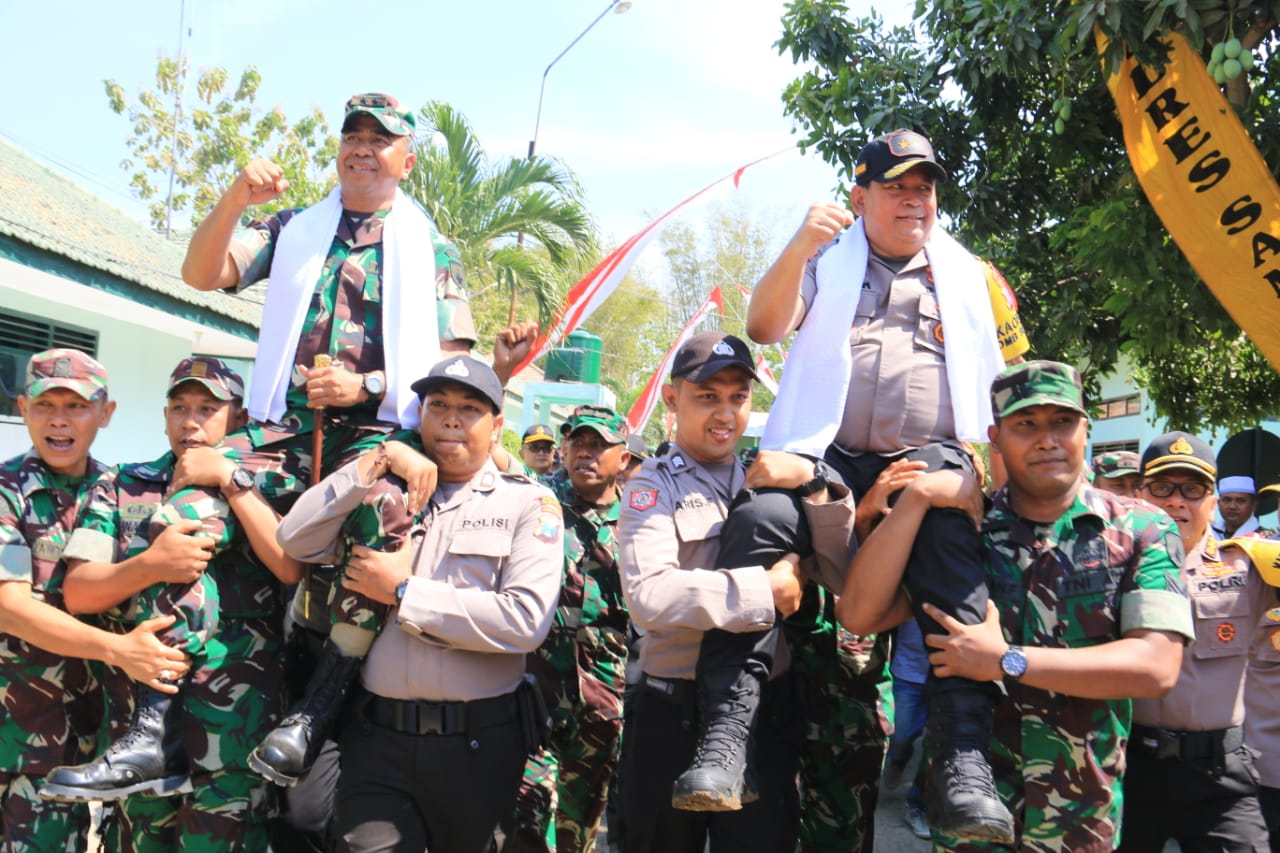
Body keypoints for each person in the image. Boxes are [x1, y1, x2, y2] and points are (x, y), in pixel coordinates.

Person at [694, 128, 1029, 841]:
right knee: (756, 523)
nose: (915, 197)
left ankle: (963, 763)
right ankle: (725, 739)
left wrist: (986, 480)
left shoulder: (975, 275)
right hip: (827, 454)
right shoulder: (824, 260)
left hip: (926, 458)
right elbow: (762, 325)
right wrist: (796, 244)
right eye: (897, 185)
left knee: (950, 542)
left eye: (925, 185)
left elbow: (1012, 389)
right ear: (860, 196)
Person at [838, 360, 1193, 850]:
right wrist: (917, 499)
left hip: (1079, 817)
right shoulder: (963, 529)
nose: (1047, 439)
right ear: (996, 437)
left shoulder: (1143, 531)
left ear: (1086, 429)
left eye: (1062, 422)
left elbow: (1156, 667)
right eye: (1026, 425)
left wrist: (1004, 660)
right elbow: (860, 615)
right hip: (967, 814)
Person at [272, 355, 562, 851]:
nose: (451, 418)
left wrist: (405, 593)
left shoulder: (527, 503)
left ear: (496, 427)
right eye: (438, 404)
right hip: (377, 739)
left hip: (477, 746)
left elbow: (525, 619)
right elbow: (295, 539)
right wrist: (377, 460)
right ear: (420, 414)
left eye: (469, 408)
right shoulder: (383, 491)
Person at [39, 357, 304, 849]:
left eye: (208, 407)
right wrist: (151, 565)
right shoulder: (121, 485)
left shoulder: (269, 488)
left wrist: (231, 481)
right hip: (137, 739)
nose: (190, 421)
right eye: (179, 407)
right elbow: (79, 592)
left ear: (239, 419)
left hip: (232, 732)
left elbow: (290, 567)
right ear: (164, 417)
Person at [617, 331, 856, 852]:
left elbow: (842, 578)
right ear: (673, 399)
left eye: (738, 397)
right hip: (672, 708)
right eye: (708, 396)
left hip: (763, 708)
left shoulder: (773, 479)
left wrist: (815, 482)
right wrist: (763, 590)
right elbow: (649, 597)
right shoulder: (652, 486)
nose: (725, 413)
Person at [0, 349, 188, 851]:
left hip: (79, 739)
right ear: (22, 408)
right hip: (9, 734)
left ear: (106, 413)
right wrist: (118, 649)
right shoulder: (7, 491)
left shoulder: (124, 493)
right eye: (44, 406)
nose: (59, 420)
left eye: (77, 406)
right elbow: (10, 607)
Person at [1117, 433, 1272, 852]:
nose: (1176, 502)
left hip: (1218, 775)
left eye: (1193, 489)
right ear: (1140, 493)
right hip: (1129, 769)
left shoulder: (1250, 565)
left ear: (1213, 500)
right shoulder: (1108, 571)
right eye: (1162, 488)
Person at [504, 405, 632, 852]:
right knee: (526, 821)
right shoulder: (537, 499)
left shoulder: (640, 523)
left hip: (601, 701)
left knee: (578, 830)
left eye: (599, 445)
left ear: (624, 458)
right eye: (578, 442)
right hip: (532, 691)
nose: (586, 454)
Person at [1213, 475, 1266, 539]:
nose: (1232, 506)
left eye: (1240, 501)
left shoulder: (1265, 539)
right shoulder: (1206, 534)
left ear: (1253, 505)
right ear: (1218, 503)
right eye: (1227, 500)